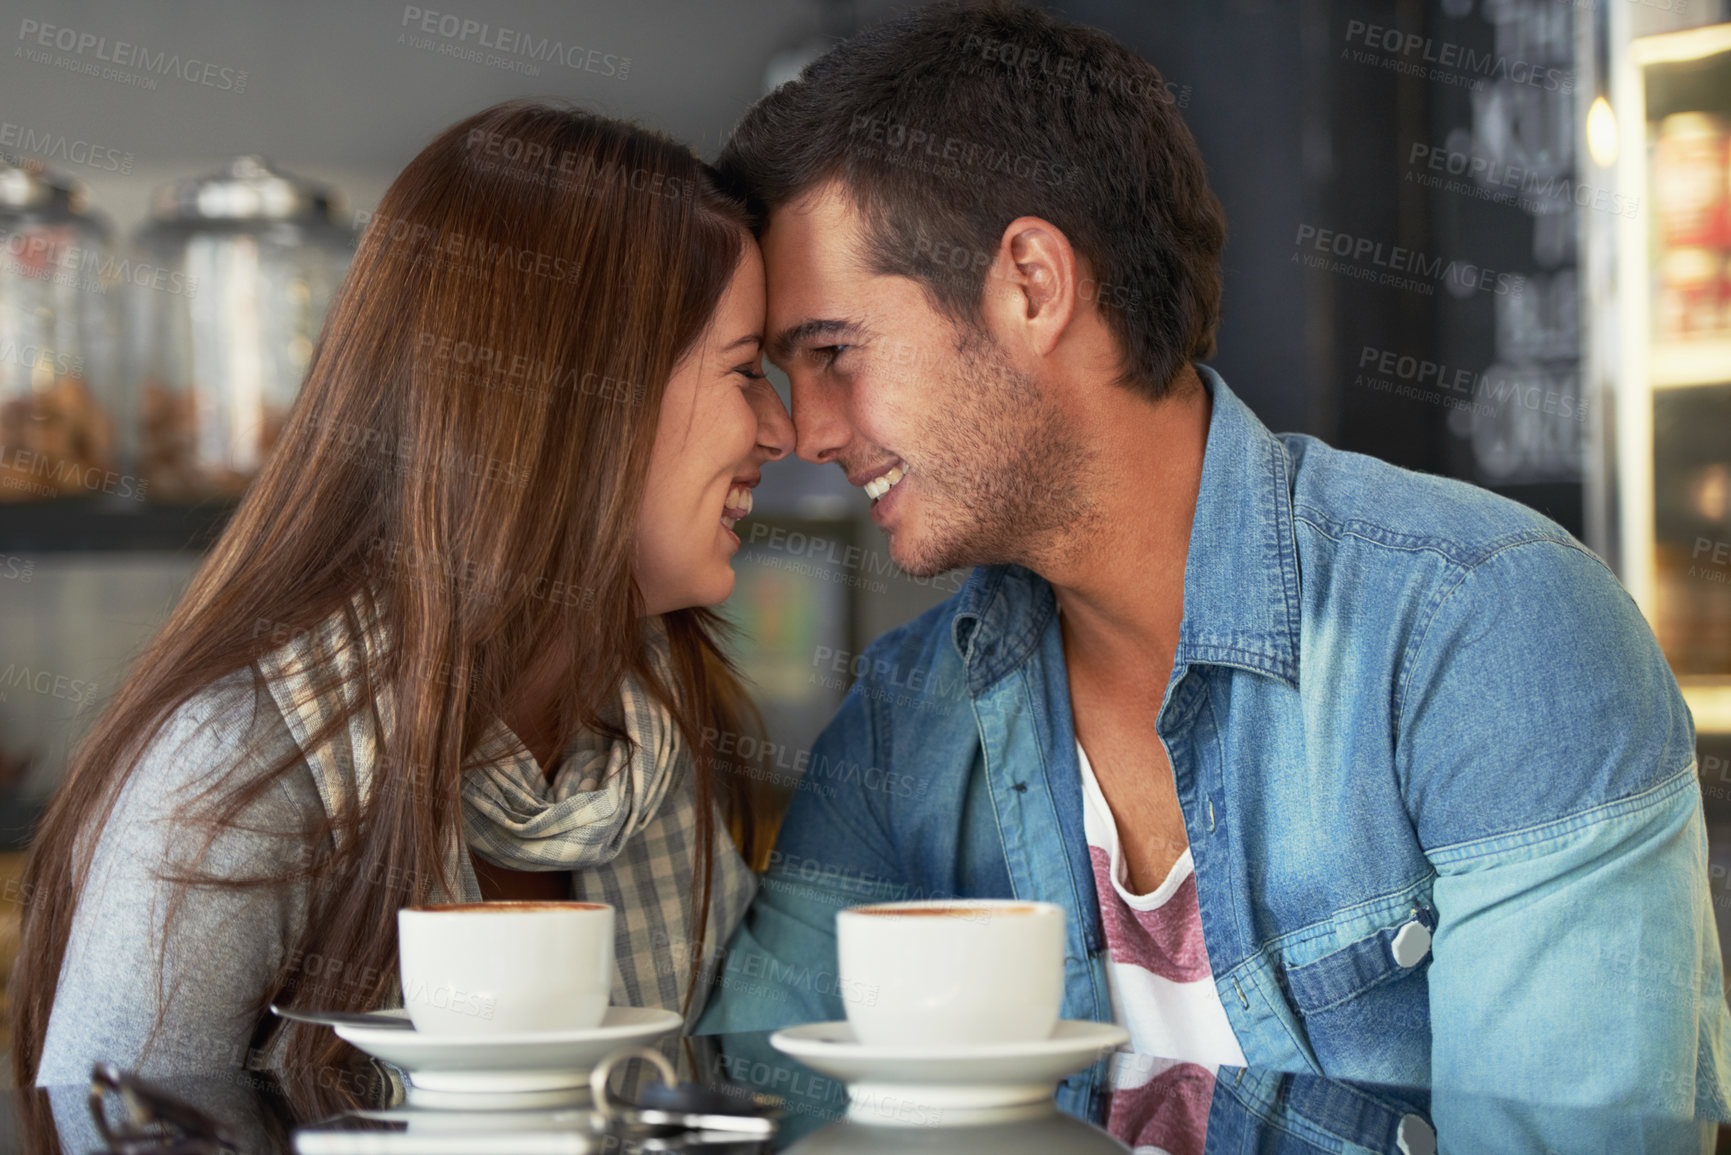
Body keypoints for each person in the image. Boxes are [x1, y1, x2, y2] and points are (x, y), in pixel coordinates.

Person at [693, 0, 1731, 1143]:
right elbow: (759, 1113)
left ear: (1032, 284)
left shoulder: (1482, 630)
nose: (807, 432)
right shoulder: (904, 720)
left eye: (834, 354)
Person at [14, 100, 795, 1085]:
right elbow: (117, 1126)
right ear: (581, 399)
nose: (783, 431)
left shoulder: (642, 755)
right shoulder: (239, 769)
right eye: (743, 373)